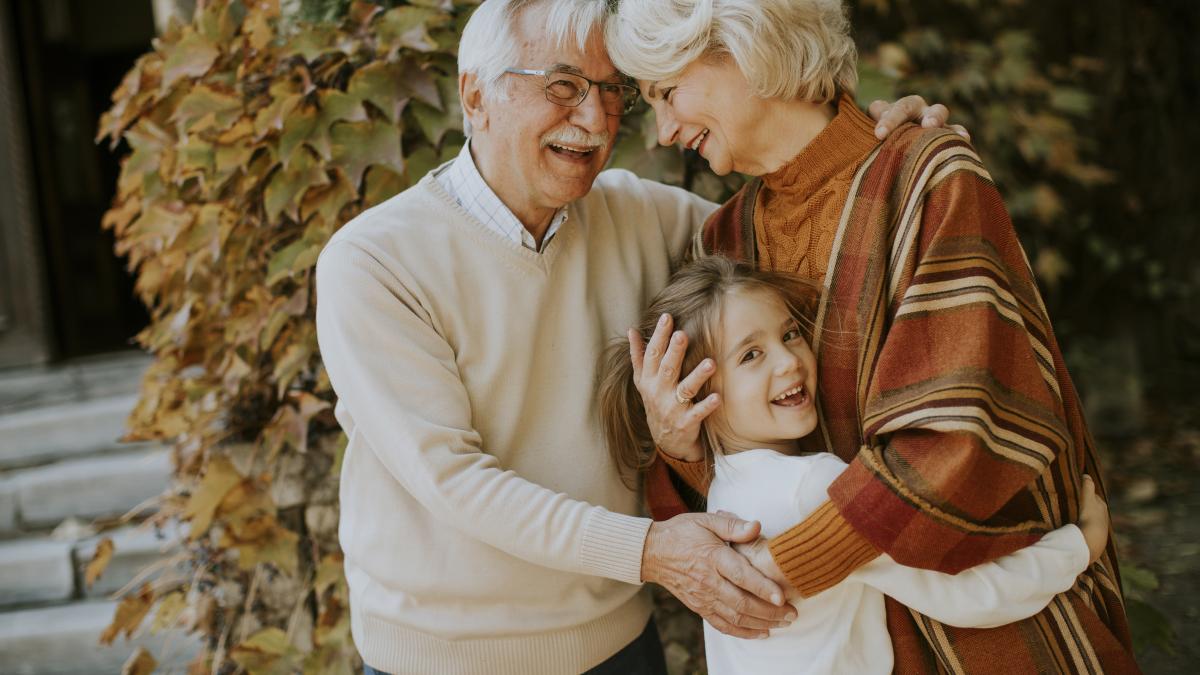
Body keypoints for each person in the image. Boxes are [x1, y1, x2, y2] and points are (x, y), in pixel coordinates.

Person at [315, 1, 959, 672]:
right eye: (563, 86)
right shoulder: (373, 262)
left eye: (611, 92)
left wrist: (885, 152)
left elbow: (813, 234)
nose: (595, 121)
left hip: (619, 646)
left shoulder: (640, 215)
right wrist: (650, 550)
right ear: (476, 95)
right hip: (440, 660)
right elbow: (454, 480)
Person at [605, 0, 1141, 672]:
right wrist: (680, 443)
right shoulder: (726, 237)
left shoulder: (929, 177)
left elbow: (956, 441)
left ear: (742, 46)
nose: (660, 130)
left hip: (984, 628)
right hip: (842, 642)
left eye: (666, 92)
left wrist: (786, 562)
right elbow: (744, 480)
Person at [598, 256, 1112, 674]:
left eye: (791, 334)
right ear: (698, 394)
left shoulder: (723, 490)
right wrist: (1077, 547)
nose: (789, 361)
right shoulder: (810, 485)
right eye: (751, 356)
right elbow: (964, 595)